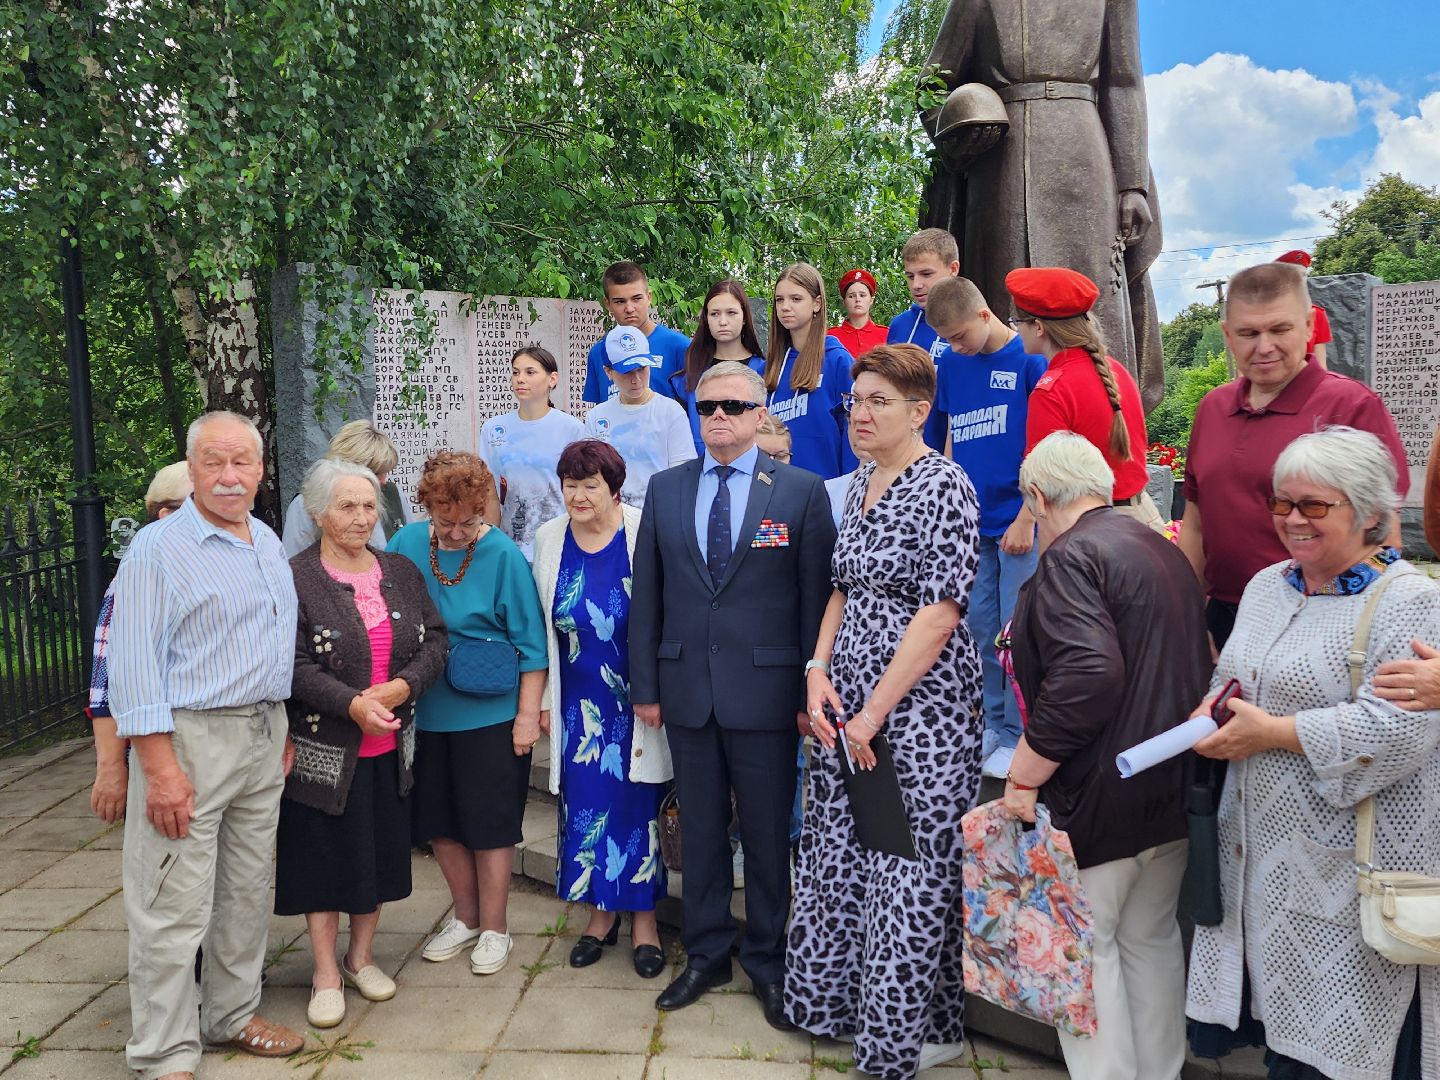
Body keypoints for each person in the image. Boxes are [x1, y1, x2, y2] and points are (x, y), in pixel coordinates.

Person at [1185, 426, 1439, 1080]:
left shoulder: (1409, 601)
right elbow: (1233, 677)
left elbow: (1399, 731)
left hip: (1352, 874)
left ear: (1370, 514)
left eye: (1315, 506)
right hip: (1265, 862)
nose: (1293, 520)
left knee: (1345, 1048)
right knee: (1285, 1036)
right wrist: (1208, 712)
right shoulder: (1272, 584)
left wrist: (1273, 733)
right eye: (1282, 503)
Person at [787, 343, 983, 1078]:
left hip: (919, 712)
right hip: (845, 705)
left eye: (877, 402)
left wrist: (872, 713)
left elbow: (938, 613)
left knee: (911, 870)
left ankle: (917, 1031)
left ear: (919, 412)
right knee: (842, 856)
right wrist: (816, 670)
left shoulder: (945, 486)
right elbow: (842, 587)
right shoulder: (864, 480)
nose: (859, 414)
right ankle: (842, 1010)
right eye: (856, 400)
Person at [630, 360, 836, 1028]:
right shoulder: (664, 490)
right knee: (701, 834)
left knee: (771, 836)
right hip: (686, 689)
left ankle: (769, 960)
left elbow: (815, 600)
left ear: (756, 415)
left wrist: (812, 688)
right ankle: (708, 952)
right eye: (706, 405)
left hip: (770, 695)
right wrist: (646, 685)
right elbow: (649, 598)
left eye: (731, 406)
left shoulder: (801, 493)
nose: (717, 416)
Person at [1002, 432, 1210, 1080]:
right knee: (1151, 943)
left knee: (1089, 954)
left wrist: (1024, 771)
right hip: (1169, 791)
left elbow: (1088, 673)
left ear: (1037, 495)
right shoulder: (1161, 548)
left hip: (1097, 796)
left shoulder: (1069, 559)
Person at [108, 410, 303, 1077]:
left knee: (245, 892)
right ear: (191, 470)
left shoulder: (267, 541)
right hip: (188, 741)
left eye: (240, 462)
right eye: (213, 463)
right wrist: (158, 768)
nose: (228, 477)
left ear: (259, 469)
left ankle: (230, 1014)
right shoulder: (158, 551)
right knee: (171, 902)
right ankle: (164, 1052)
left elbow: (275, 642)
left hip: (259, 735)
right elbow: (131, 666)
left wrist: (277, 723)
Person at [920, 0, 1166, 408]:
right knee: (1003, 298)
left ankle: (1106, 413)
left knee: (1095, 299)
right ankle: (1002, 420)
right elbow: (932, 84)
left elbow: (1123, 82)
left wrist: (1132, 184)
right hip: (1000, 162)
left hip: (1085, 157)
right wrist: (958, 130)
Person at [276, 459, 448, 1028]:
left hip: (391, 748)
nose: (360, 518)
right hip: (327, 749)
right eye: (347, 506)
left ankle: (361, 958)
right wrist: (351, 704)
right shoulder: (295, 575)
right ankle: (325, 971)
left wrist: (403, 686)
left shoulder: (399, 569)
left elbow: (437, 640)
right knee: (324, 858)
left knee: (375, 854)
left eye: (369, 506)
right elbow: (290, 665)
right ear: (318, 511)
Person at [1177, 262, 1407, 652]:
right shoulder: (1212, 408)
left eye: (1279, 329)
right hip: (1223, 618)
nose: (1264, 347)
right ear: (1228, 336)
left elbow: (1384, 535)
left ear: (1307, 327)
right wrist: (1186, 618)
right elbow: (1196, 525)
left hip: (1319, 620)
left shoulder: (1351, 406)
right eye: (1249, 333)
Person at [387, 451, 549, 976]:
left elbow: (531, 644)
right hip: (426, 707)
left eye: (468, 521)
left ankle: (496, 928)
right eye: (445, 520)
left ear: (484, 508)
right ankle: (465, 917)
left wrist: (528, 716)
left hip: (491, 710)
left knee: (490, 823)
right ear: (427, 506)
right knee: (440, 822)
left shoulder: (502, 554)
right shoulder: (407, 544)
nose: (457, 532)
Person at [532, 440, 673, 978]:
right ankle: (598, 916)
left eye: (590, 484)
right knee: (585, 808)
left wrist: (657, 691)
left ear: (615, 488)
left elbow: (666, 615)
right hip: (578, 702)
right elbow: (542, 629)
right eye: (570, 483)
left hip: (637, 700)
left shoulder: (644, 531)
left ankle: (643, 923)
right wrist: (544, 701)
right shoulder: (549, 538)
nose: (578, 495)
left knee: (638, 809)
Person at [927, 275, 1048, 779]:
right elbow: (946, 436)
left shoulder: (1028, 359)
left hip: (1019, 520)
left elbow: (1044, 446)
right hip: (973, 523)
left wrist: (1027, 513)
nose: (956, 346)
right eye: (948, 340)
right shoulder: (953, 364)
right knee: (981, 627)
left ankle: (1023, 734)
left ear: (984, 315)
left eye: (960, 335)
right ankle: (995, 724)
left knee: (1018, 629)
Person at [1007, 266, 1161, 530]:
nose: (1016, 329)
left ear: (1039, 327)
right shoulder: (1114, 370)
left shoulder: (1051, 391)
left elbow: (1045, 492)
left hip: (1094, 529)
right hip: (1143, 517)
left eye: (1018, 322)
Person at [88, 460, 193, 825]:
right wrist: (110, 768)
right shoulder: (136, 577)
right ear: (166, 515)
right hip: (163, 749)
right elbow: (104, 688)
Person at [480, 346, 586, 561]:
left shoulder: (572, 428)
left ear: (552, 379)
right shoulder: (493, 429)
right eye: (515, 372)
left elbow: (583, 488)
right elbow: (489, 491)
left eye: (530, 372)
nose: (520, 379)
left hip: (560, 545)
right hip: (512, 548)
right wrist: (493, 543)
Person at [584, 325, 695, 508]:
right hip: (611, 517)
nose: (636, 379)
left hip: (658, 514)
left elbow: (682, 473)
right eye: (627, 372)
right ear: (608, 372)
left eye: (642, 368)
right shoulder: (597, 416)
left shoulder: (671, 412)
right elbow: (590, 473)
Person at [764, 263, 856, 479]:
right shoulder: (769, 367)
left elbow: (854, 434)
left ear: (817, 303)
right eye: (779, 300)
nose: (785, 306)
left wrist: (849, 489)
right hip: (776, 491)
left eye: (796, 299)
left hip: (826, 491)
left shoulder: (837, 360)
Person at [282, 420, 427, 556]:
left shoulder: (392, 493)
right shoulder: (306, 505)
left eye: (385, 472)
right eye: (376, 473)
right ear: (347, 468)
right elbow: (293, 565)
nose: (384, 481)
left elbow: (411, 549)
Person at [672, 279, 768, 455]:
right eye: (715, 314)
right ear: (706, 319)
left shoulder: (766, 372)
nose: (722, 321)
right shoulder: (687, 379)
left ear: (745, 317)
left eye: (731, 312)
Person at [885, 229, 959, 451]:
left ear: (953, 269)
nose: (916, 284)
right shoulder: (900, 326)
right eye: (910, 276)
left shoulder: (969, 325)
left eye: (926, 274)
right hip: (900, 453)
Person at [583, 261, 691, 405]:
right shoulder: (599, 353)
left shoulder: (680, 347)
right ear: (607, 303)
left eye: (636, 299)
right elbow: (600, 414)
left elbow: (696, 407)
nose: (629, 308)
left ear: (649, 297)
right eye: (620, 302)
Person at [1274, 250, 1332, 369]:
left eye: (1303, 275)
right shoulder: (1263, 314)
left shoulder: (1317, 315)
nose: (1300, 280)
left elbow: (1321, 367)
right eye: (1294, 275)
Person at [828, 268, 889, 358]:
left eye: (862, 295)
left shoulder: (887, 335)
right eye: (851, 296)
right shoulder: (830, 336)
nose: (857, 300)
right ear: (844, 302)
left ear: (871, 300)